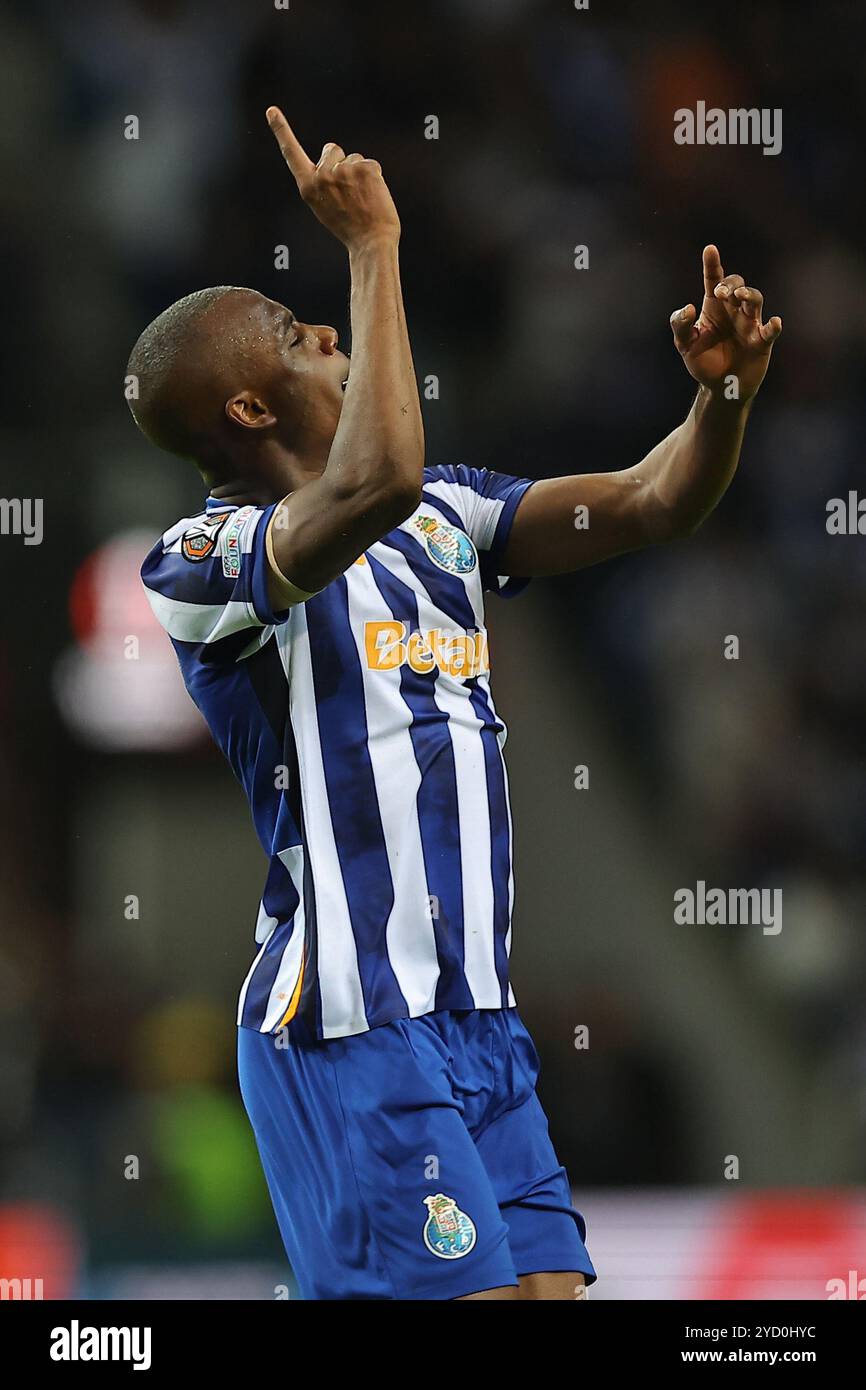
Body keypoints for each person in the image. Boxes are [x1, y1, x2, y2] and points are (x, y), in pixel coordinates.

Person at [131, 107, 781, 1300]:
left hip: (478, 1023)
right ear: (246, 411)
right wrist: (372, 246)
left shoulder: (447, 517)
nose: (324, 328)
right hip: (350, 1026)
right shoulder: (199, 561)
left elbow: (647, 502)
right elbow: (368, 479)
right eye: (292, 330)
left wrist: (722, 402)